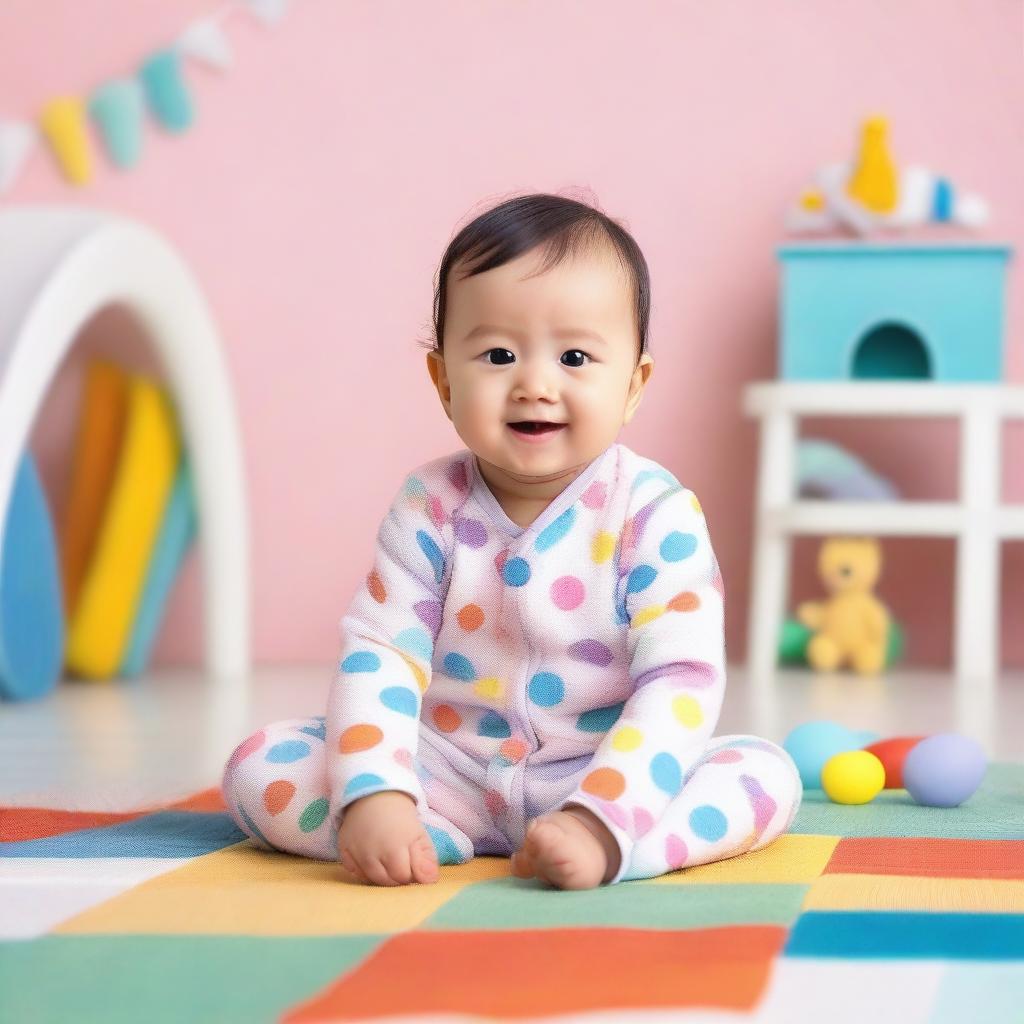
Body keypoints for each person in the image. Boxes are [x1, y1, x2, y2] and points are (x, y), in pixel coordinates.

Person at [221, 192, 802, 890]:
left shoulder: (655, 513)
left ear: (634, 385)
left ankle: (616, 851)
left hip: (597, 769)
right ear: (442, 381)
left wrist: (604, 812)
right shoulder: (427, 507)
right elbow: (380, 652)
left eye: (576, 356)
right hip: (446, 770)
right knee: (261, 763)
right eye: (498, 354)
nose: (534, 384)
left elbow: (679, 682)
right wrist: (377, 793)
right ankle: (417, 836)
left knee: (763, 775)